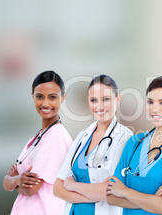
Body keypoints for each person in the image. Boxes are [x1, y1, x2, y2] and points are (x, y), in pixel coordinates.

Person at [106, 75, 162, 215]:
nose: (154, 109)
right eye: (150, 102)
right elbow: (111, 197)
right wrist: (153, 199)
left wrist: (124, 191)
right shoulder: (134, 143)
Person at [53, 75, 133, 215]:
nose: (99, 106)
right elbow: (57, 188)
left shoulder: (125, 138)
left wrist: (72, 185)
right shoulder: (82, 137)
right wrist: (94, 193)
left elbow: (112, 191)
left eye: (106, 99)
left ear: (118, 99)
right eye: (93, 100)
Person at [3, 71, 73, 215]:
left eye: (52, 97)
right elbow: (6, 183)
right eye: (39, 96)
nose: (45, 103)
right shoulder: (37, 137)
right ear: (32, 96)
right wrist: (17, 179)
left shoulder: (55, 138)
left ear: (63, 98)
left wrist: (14, 180)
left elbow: (30, 189)